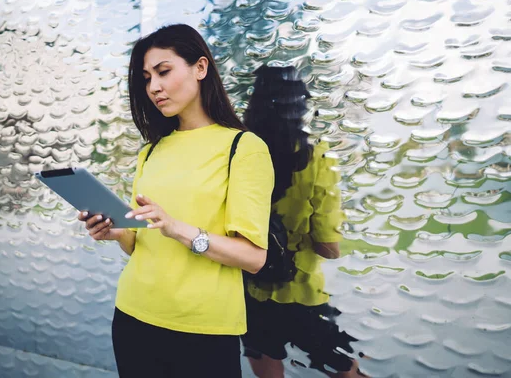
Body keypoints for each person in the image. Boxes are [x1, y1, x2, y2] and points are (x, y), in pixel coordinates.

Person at [78, 24, 274, 378]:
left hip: (203, 330)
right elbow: (139, 246)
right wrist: (117, 230)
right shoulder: (151, 150)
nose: (154, 87)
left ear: (200, 68)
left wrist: (177, 228)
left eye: (164, 72)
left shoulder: (243, 148)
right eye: (147, 78)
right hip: (133, 317)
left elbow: (254, 257)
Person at [241, 66, 365, 378]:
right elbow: (329, 248)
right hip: (304, 294)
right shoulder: (317, 158)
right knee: (345, 371)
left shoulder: (239, 155)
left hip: (249, 289)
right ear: (300, 106)